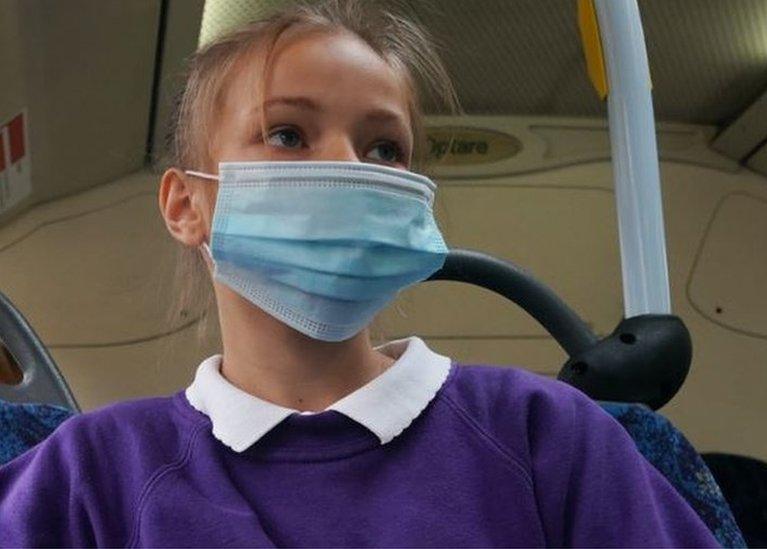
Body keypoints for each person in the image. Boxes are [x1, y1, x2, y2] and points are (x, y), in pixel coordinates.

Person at [0, 2, 719, 546]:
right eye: (287, 134)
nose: (346, 166)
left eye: (382, 148)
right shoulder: (91, 472)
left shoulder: (547, 435)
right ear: (186, 202)